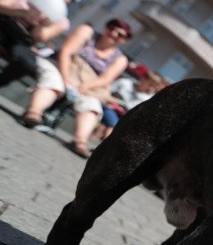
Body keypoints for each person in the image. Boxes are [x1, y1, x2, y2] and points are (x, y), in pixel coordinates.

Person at [21, 18, 132, 158]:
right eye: (112, 29)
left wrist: (85, 86)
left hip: (88, 84)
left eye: (121, 35)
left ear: (124, 40)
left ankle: (80, 141)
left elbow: (105, 79)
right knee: (54, 83)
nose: (115, 35)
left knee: (91, 105)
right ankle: (33, 113)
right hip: (62, 67)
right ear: (105, 28)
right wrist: (67, 79)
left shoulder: (120, 59)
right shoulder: (87, 33)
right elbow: (66, 52)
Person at [0, 0, 76, 87]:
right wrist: (21, 13)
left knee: (27, 63)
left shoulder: (62, 21)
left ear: (69, 1)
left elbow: (38, 37)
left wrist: (42, 25)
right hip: (3, 23)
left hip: (22, 41)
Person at [92, 67, 165, 142]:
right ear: (143, 79)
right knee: (113, 122)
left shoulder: (149, 98)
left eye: (154, 87)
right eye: (150, 84)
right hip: (112, 109)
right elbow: (106, 93)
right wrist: (111, 99)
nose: (151, 88)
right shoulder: (125, 83)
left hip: (126, 118)